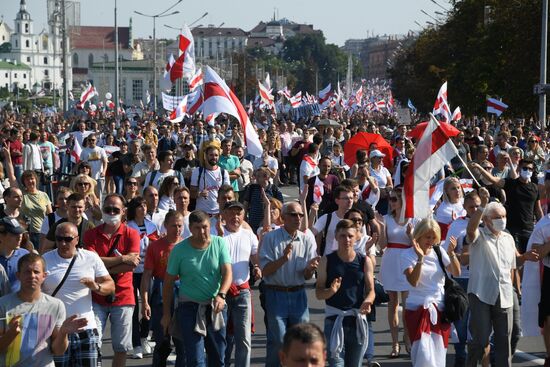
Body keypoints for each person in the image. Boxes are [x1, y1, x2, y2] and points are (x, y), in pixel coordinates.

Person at [464, 187, 538, 367]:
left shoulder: (508, 237)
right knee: (481, 341)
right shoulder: (479, 236)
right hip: (481, 293)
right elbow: (471, 228)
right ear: (487, 220)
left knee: (505, 341)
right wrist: (481, 207)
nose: (502, 220)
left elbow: (515, 262)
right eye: (497, 217)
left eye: (504, 217)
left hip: (504, 294)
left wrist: (525, 257)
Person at [161, 210, 232, 366]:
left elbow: (227, 272)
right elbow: (167, 284)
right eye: (197, 228)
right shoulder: (179, 250)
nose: (202, 232)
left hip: (215, 306)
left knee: (218, 358)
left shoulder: (219, 243)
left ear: (210, 226)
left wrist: (222, 295)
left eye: (205, 227)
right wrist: (166, 314)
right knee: (195, 360)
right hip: (189, 308)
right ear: (190, 229)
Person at [42, 222, 115, 367]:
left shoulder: (90, 258)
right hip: (56, 331)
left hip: (85, 330)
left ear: (77, 239)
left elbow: (111, 285)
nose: (63, 243)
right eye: (59, 239)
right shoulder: (45, 260)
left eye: (68, 239)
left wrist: (96, 286)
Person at [259, 201, 320, 367]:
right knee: (279, 341)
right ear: (283, 217)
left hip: (298, 294)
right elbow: (264, 271)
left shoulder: (307, 239)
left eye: (300, 215)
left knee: (301, 341)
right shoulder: (270, 238)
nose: (298, 218)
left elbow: (307, 276)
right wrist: (283, 259)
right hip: (275, 294)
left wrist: (309, 269)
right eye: (293, 214)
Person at [0, 253, 88, 367]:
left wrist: (63, 333)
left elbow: (58, 351)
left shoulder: (55, 305)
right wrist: (10, 334)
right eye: (27, 272)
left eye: (36, 272)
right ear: (18, 275)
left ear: (44, 276)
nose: (32, 276)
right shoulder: (3, 304)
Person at [83, 193, 141, 367]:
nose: (111, 212)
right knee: (93, 343)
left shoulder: (132, 234)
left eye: (116, 209)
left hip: (123, 297)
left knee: (121, 347)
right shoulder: (90, 234)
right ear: (102, 210)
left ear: (123, 211)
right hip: (96, 296)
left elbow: (131, 266)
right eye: (107, 209)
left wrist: (100, 263)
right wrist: (122, 259)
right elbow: (91, 264)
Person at [401, 218, 461, 366]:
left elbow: (456, 272)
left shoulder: (439, 251)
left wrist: (452, 254)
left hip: (440, 309)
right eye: (428, 236)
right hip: (417, 309)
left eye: (434, 237)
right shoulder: (407, 255)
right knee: (422, 352)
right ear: (419, 235)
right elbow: (413, 281)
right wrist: (420, 258)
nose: (431, 240)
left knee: (438, 351)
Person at [315, 219, 375, 367]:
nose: (346, 239)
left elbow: (371, 290)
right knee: (336, 363)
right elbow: (318, 293)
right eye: (342, 236)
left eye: (350, 236)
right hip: (334, 320)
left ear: (357, 237)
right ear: (336, 236)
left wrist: (368, 301)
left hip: (357, 320)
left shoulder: (364, 261)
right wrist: (331, 291)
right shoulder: (326, 261)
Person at [217, 201, 261, 367]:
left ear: (243, 216)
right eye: (232, 213)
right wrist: (220, 236)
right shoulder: (216, 234)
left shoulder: (248, 234)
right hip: (221, 293)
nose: (235, 217)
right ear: (224, 215)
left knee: (243, 338)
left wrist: (257, 267)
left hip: (242, 291)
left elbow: (255, 256)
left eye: (239, 213)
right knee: (222, 337)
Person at [140, 210, 185, 367]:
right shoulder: (155, 246)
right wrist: (145, 302)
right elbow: (146, 276)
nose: (177, 229)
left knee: (182, 342)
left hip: (183, 292)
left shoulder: (187, 244)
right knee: (162, 342)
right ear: (166, 225)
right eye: (173, 225)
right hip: (160, 291)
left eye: (180, 225)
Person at [471, 158, 543, 253]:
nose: (528, 171)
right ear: (519, 169)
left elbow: (538, 209)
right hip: (512, 229)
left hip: (529, 229)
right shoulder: (510, 183)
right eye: (525, 168)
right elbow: (492, 179)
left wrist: (542, 226)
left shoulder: (535, 187)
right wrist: (479, 167)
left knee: (528, 259)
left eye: (530, 169)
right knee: (515, 259)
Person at [378, 187, 416, 357]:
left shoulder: (413, 220)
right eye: (390, 199)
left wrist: (412, 235)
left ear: (403, 201)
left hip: (407, 261)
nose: (391, 202)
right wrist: (380, 227)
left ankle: (407, 339)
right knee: (393, 304)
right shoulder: (386, 219)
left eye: (395, 199)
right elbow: (383, 245)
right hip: (391, 260)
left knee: (408, 306)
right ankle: (395, 344)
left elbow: (417, 245)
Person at [126, 196, 159, 359]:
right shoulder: (127, 227)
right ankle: (136, 344)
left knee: (150, 305)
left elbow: (156, 246)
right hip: (131, 272)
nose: (143, 208)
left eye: (145, 205)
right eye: (139, 206)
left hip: (148, 271)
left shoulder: (152, 226)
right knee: (133, 308)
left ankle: (144, 336)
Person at [311, 185, 355, 256]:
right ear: (337, 201)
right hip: (330, 261)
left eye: (351, 198)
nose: (350, 201)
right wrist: (312, 215)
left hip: (350, 261)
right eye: (345, 198)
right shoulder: (327, 218)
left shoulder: (357, 219)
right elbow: (310, 234)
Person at [190, 143, 231, 215]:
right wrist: (200, 194)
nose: (214, 157)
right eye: (211, 155)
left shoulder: (223, 172)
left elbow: (228, 194)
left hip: (219, 213)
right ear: (205, 156)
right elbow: (191, 194)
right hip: (202, 213)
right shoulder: (197, 171)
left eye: (216, 155)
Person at [242, 167, 284, 233]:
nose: (256, 178)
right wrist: (244, 219)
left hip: (269, 223)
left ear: (266, 177)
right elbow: (245, 204)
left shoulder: (274, 189)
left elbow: (281, 206)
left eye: (259, 176)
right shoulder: (251, 188)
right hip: (254, 222)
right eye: (256, 176)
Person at [19, 170, 53, 250]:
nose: (30, 181)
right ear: (24, 182)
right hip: (28, 233)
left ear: (36, 180)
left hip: (43, 233)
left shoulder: (44, 195)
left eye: (32, 178)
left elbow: (50, 215)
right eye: (27, 180)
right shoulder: (22, 196)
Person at [0, 217, 29, 293]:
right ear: (1, 236)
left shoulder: (25, 255)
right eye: (14, 234)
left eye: (20, 233)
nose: (19, 237)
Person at [39, 187, 71, 252]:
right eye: (61, 199)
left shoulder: (79, 216)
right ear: (56, 200)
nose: (64, 201)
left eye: (66, 199)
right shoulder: (49, 219)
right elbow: (42, 244)